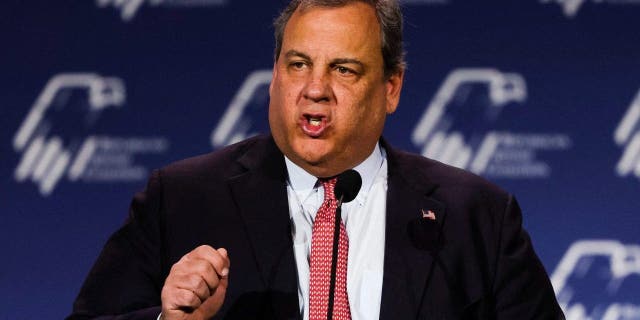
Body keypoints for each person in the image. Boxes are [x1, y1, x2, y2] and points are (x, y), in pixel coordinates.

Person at [68, 0, 564, 319]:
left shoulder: (476, 215)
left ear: (391, 88)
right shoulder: (181, 198)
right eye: (298, 64)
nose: (314, 91)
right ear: (275, 75)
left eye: (343, 70)